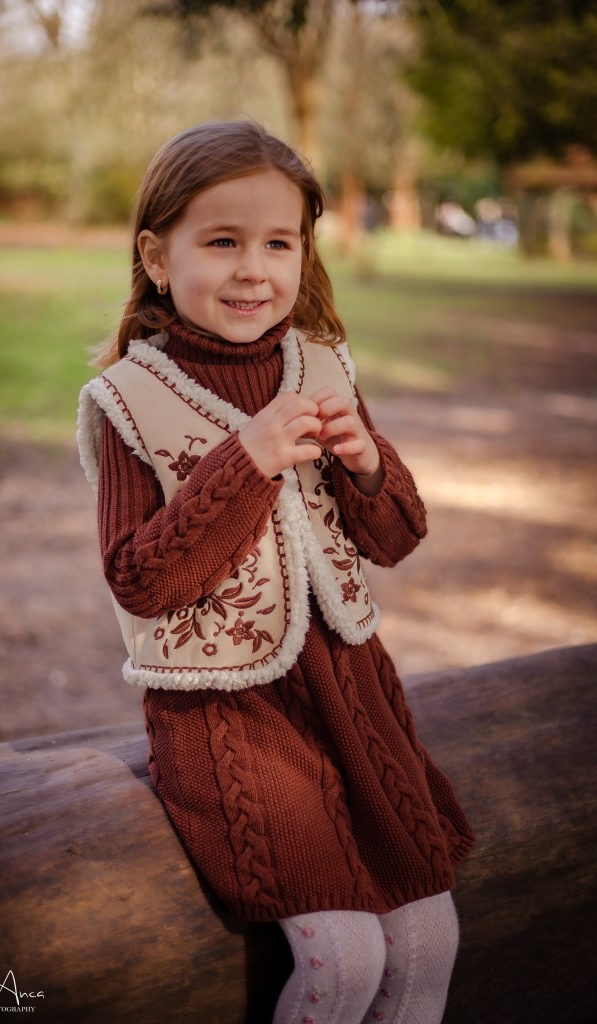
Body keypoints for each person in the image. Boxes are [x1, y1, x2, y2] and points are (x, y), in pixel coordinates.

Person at [77, 120, 474, 1024]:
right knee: (343, 955)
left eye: (278, 243)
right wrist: (244, 462)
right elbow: (139, 581)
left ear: (304, 251)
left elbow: (395, 538)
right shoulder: (130, 400)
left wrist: (366, 462)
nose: (253, 270)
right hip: (231, 716)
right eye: (221, 242)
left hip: (352, 696)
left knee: (427, 939)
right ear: (157, 256)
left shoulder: (322, 364)